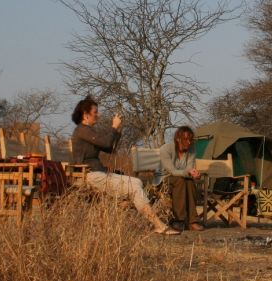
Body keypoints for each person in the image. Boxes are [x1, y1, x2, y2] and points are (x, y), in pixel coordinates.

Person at [70, 95, 179, 235]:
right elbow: (105, 143)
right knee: (134, 185)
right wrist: (113, 127)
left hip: (98, 173)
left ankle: (152, 222)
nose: (98, 114)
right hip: (91, 176)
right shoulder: (82, 130)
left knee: (136, 182)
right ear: (85, 115)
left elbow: (110, 149)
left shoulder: (88, 131)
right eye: (95, 112)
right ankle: (158, 224)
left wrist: (118, 130)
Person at [159, 126, 203, 231]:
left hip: (183, 179)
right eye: (186, 139)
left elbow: (189, 167)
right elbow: (172, 171)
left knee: (189, 181)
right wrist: (188, 172)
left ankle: (192, 221)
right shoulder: (165, 149)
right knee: (180, 180)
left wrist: (194, 173)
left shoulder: (192, 149)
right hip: (164, 179)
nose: (189, 142)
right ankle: (179, 220)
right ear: (178, 139)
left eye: (190, 140)